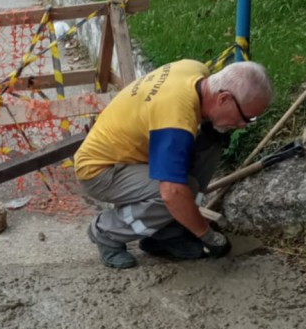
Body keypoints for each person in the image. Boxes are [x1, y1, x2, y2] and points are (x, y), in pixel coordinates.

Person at [73, 59, 273, 269]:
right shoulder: (175, 119)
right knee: (175, 194)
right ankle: (106, 231)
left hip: (132, 153)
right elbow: (172, 193)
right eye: (246, 118)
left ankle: (167, 233)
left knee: (211, 141)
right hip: (100, 171)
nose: (242, 125)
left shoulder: (194, 70)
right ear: (223, 98)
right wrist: (207, 236)